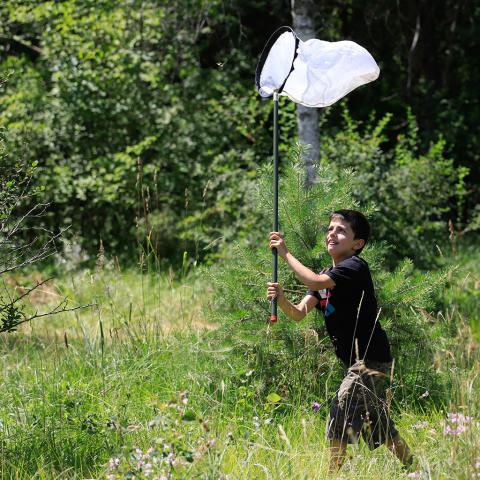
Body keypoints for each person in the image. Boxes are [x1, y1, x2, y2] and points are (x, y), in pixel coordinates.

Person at [266, 209, 413, 472]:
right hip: (355, 362)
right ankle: (414, 467)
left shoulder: (354, 267)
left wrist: (285, 253)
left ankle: (332, 475)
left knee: (341, 408)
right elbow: (299, 314)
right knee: (377, 424)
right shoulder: (327, 274)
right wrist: (281, 299)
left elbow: (314, 279)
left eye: (341, 230)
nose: (333, 233)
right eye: (331, 228)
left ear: (358, 244)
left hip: (370, 358)